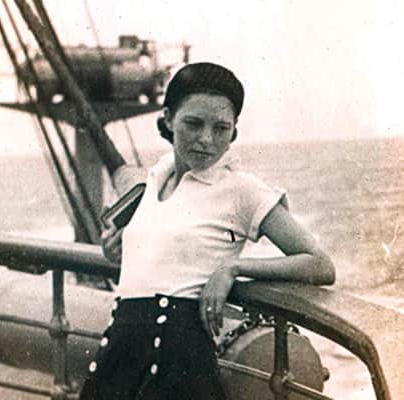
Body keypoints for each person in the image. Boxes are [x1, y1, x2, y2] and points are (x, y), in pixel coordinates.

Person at [79, 62, 335, 400]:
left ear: (233, 133)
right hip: (120, 357)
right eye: (193, 124)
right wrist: (117, 249)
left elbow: (319, 263)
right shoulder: (154, 179)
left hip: (180, 367)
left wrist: (234, 267)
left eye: (221, 128)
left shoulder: (241, 189)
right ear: (168, 119)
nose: (206, 140)